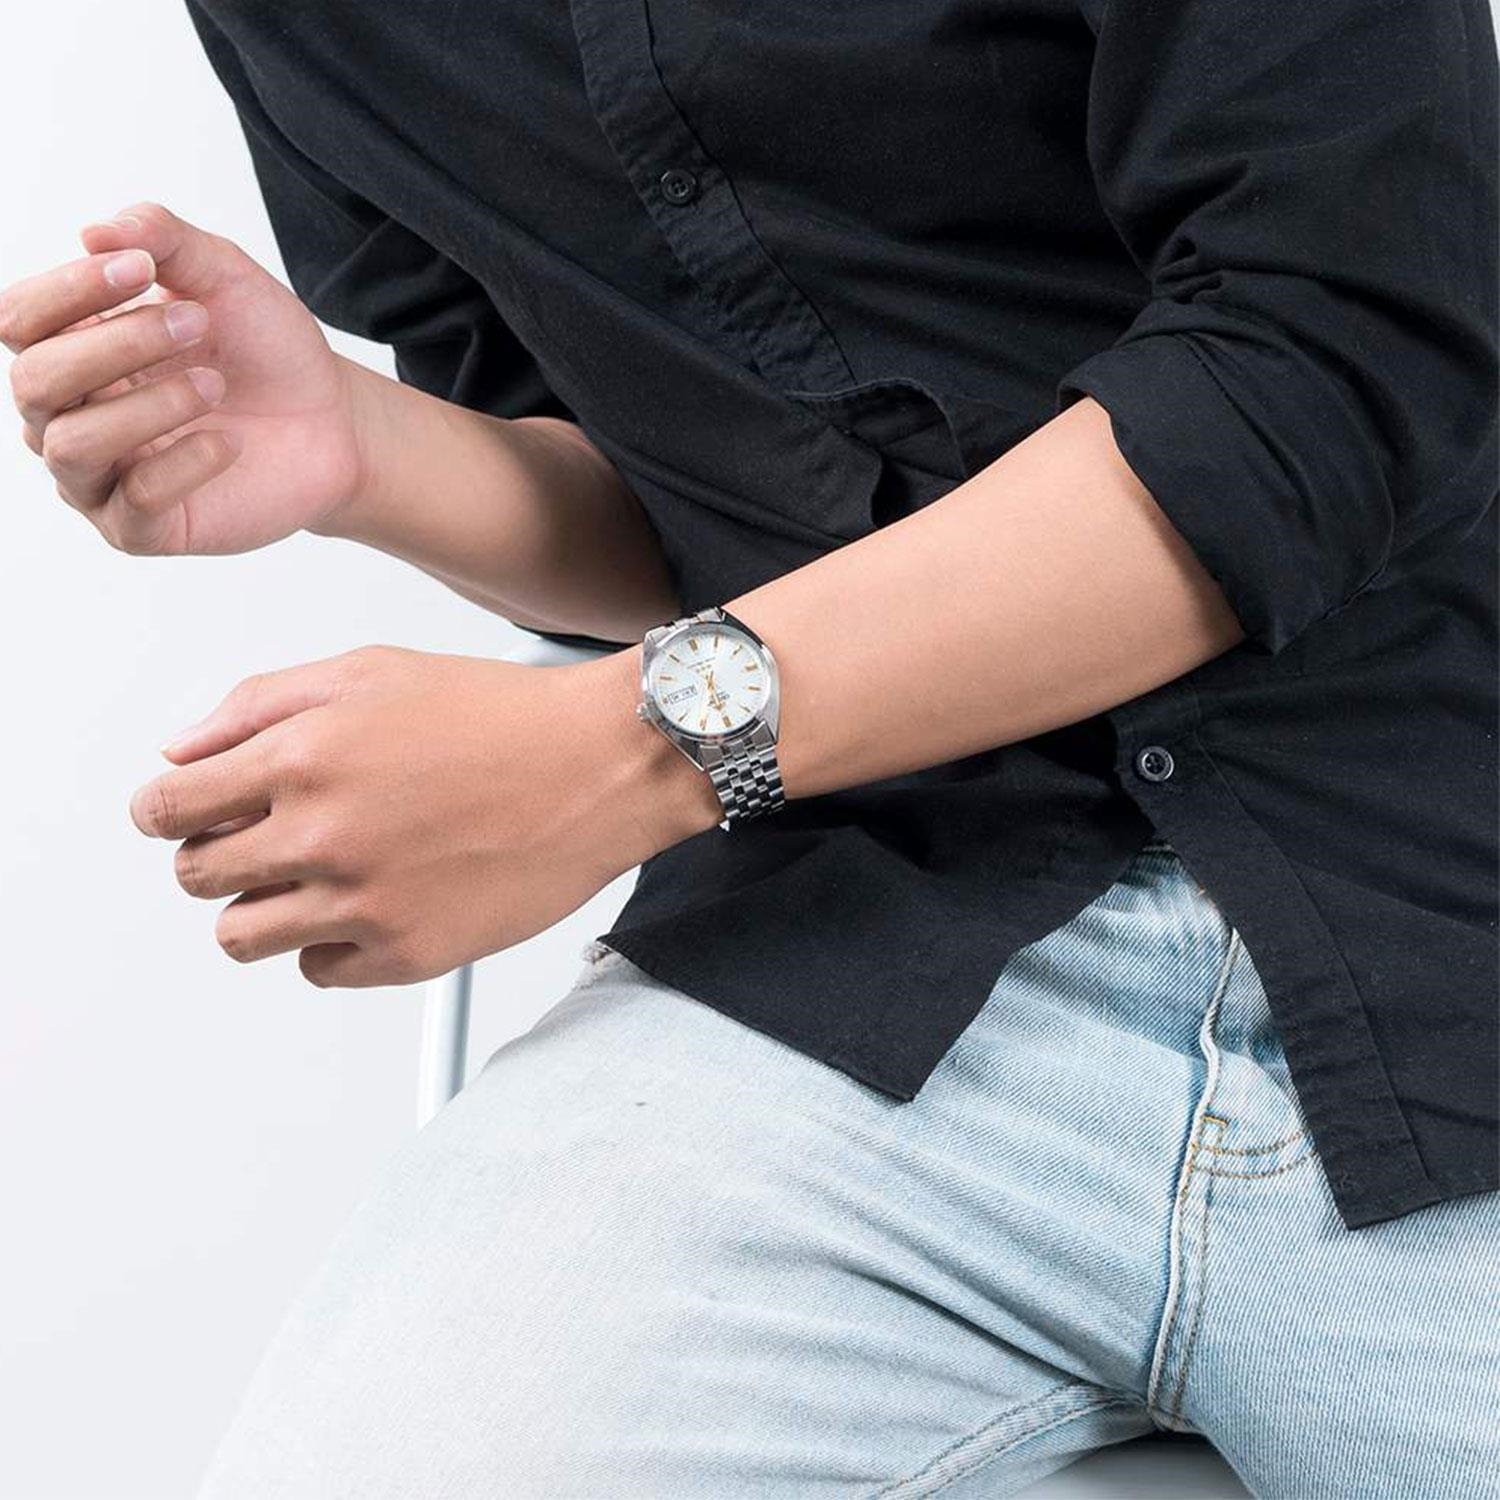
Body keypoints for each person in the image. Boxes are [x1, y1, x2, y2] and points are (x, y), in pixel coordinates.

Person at [2, 0, 1495, 1495]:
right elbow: (687, 500)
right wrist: (365, 446)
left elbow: (1345, 354)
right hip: (856, 952)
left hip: (1434, 894)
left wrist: (634, 750)